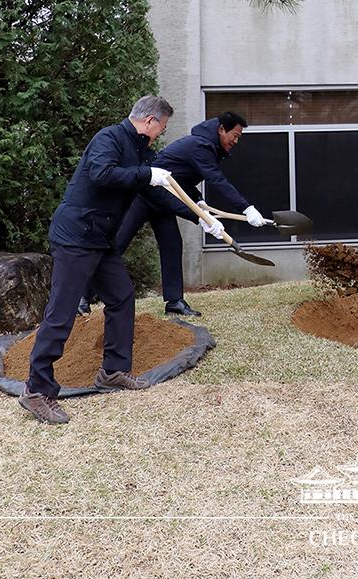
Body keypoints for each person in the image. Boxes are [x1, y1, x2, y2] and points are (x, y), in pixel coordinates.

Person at [20, 96, 227, 425]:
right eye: (161, 127)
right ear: (149, 122)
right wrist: (146, 175)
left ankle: (113, 371)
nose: (161, 134)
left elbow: (159, 188)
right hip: (77, 236)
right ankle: (37, 390)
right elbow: (103, 174)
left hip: (100, 239)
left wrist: (200, 217)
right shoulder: (109, 138)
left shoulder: (141, 150)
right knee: (61, 314)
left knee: (121, 295)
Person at [78, 112, 264, 318]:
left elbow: (182, 176)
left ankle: (174, 301)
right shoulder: (201, 146)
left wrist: (198, 200)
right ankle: (82, 297)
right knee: (117, 244)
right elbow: (217, 180)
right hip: (146, 195)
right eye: (235, 135)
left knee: (172, 244)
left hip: (164, 198)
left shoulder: (209, 147)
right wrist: (244, 208)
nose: (236, 141)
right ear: (221, 129)